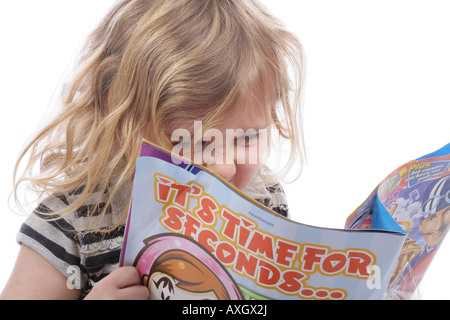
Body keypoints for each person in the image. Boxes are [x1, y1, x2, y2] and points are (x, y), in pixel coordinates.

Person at [0, 0, 305, 299]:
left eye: (247, 136)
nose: (225, 168)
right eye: (195, 142)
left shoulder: (264, 199)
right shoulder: (72, 223)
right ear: (121, 125)